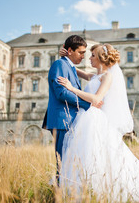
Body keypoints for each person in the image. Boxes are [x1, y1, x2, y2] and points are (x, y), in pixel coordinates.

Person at [57, 44, 139, 201]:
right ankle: (85, 188)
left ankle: (100, 189)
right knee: (86, 155)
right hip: (86, 119)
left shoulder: (107, 77)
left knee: (99, 155)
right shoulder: (94, 76)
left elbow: (97, 99)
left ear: (102, 58)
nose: (89, 58)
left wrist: (72, 88)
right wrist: (65, 56)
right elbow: (75, 70)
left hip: (94, 120)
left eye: (93, 56)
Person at [42, 35, 98, 183]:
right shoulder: (59, 65)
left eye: (85, 53)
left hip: (69, 120)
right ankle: (59, 194)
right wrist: (87, 104)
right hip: (62, 120)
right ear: (69, 51)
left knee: (68, 162)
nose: (83, 57)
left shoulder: (69, 67)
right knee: (61, 163)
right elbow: (61, 93)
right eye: (80, 53)